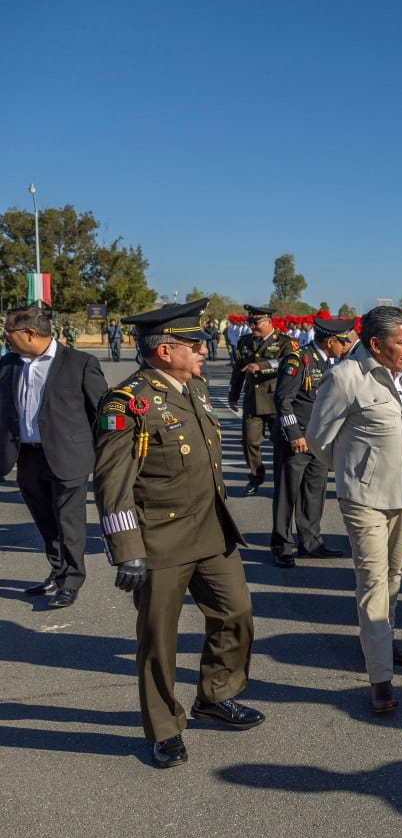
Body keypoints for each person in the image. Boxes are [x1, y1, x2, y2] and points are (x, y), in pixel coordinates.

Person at [93, 299, 263, 768]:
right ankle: (164, 727)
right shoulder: (127, 403)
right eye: (196, 343)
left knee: (236, 613)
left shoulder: (195, 388)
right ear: (165, 350)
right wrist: (126, 550)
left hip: (212, 532)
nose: (205, 350)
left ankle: (215, 694)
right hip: (159, 540)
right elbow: (112, 484)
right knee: (158, 639)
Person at [309, 306, 402, 715]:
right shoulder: (346, 377)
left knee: (394, 576)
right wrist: (354, 473)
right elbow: (319, 440)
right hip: (364, 498)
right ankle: (380, 676)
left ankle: (384, 639)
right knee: (373, 581)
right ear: (375, 345)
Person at [1, 304, 107, 608]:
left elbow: (102, 413)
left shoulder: (79, 363)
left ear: (30, 333)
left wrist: (104, 455)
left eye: (9, 331)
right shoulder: (9, 364)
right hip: (27, 456)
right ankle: (57, 570)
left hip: (67, 456)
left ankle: (71, 581)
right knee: (45, 520)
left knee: (69, 521)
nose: (5, 336)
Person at [269, 317, 356, 568]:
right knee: (288, 494)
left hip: (317, 441)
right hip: (295, 440)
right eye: (342, 342)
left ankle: (310, 542)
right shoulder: (298, 360)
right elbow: (283, 400)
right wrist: (295, 434)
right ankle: (281, 545)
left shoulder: (331, 362)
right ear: (330, 342)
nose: (345, 346)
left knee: (314, 493)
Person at [227, 304, 295, 496]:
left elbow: (286, 361)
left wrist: (262, 366)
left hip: (275, 401)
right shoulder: (245, 341)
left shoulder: (284, 341)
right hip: (252, 401)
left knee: (281, 444)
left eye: (256, 322)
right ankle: (255, 477)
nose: (252, 326)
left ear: (268, 322)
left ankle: (282, 480)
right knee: (249, 442)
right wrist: (233, 394)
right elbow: (238, 369)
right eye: (249, 322)